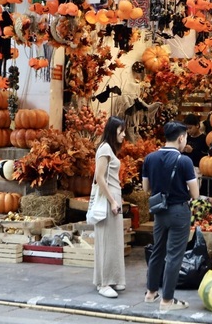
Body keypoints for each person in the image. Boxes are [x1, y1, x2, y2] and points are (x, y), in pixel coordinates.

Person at [143, 121, 199, 312]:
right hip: (179, 211)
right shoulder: (184, 161)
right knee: (175, 255)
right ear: (181, 138)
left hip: (159, 211)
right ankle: (167, 300)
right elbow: (195, 194)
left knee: (158, 250)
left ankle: (151, 292)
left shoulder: (150, 158)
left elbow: (146, 188)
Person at [93, 116, 127, 299]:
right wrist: (112, 201)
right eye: (121, 131)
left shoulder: (109, 149)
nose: (123, 135)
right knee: (107, 240)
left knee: (113, 240)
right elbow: (99, 177)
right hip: (108, 200)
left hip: (113, 198)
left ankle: (111, 278)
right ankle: (104, 282)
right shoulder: (105, 148)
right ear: (113, 130)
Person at [182, 114, 209, 191]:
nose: (188, 131)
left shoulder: (204, 139)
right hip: (185, 169)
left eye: (190, 128)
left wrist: (192, 151)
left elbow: (205, 156)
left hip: (198, 170)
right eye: (186, 129)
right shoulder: (185, 138)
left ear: (197, 125)